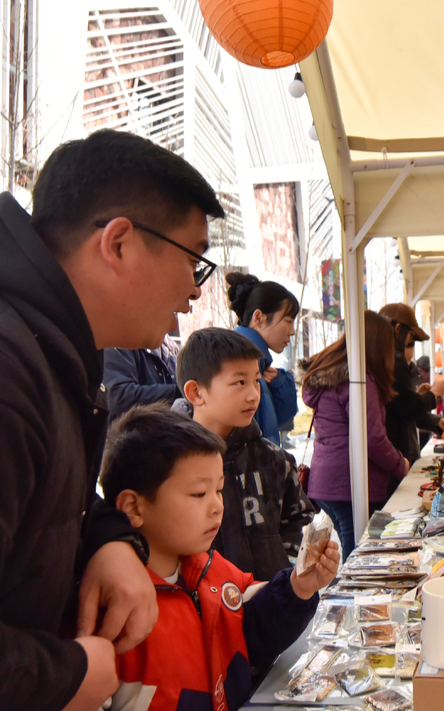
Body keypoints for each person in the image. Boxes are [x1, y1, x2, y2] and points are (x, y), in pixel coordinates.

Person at [0, 128, 225, 711]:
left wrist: (107, 540)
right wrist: (72, 673)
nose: (193, 293)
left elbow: (46, 494)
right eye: (194, 262)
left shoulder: (45, 344)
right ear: (119, 243)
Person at [100, 405, 337, 711]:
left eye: (219, 490)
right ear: (133, 507)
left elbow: (249, 633)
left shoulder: (211, 568)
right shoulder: (116, 608)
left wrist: (298, 588)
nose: (217, 507)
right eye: (199, 494)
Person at [176, 327, 315, 580]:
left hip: (270, 604)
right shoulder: (169, 464)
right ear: (196, 392)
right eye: (239, 382)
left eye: (256, 381)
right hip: (203, 609)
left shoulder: (275, 460)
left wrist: (287, 569)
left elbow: (301, 519)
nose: (254, 395)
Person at [300, 310, 410, 558]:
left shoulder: (335, 375)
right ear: (378, 345)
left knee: (354, 553)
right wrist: (400, 464)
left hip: (328, 482)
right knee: (359, 559)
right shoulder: (359, 381)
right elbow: (372, 438)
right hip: (349, 485)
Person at [226, 272, 300, 445]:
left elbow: (276, 422)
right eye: (288, 321)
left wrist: (281, 383)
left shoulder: (259, 364)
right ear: (259, 318)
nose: (293, 331)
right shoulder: (238, 361)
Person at [379, 302, 444, 464]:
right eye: (410, 337)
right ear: (398, 330)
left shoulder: (385, 360)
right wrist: (434, 393)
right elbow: (408, 408)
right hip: (398, 454)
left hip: (399, 453)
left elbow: (402, 405)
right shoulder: (394, 361)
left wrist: (434, 420)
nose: (410, 344)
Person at [103, 335, 182, 421]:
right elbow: (119, 399)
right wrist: (177, 392)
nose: (174, 325)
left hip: (166, 428)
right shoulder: (118, 342)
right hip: (132, 431)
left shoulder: (169, 345)